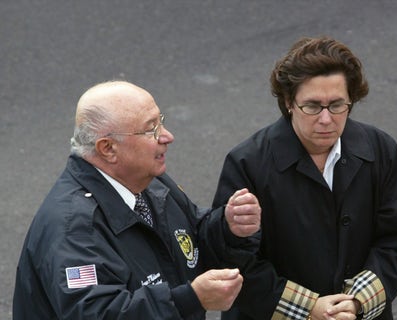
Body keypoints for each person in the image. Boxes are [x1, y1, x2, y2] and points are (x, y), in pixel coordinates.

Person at [13, 81, 262, 319]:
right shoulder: (74, 230)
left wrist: (227, 227)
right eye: (150, 129)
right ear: (108, 148)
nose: (167, 136)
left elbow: (189, 239)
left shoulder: (148, 182)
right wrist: (191, 299)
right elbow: (97, 313)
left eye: (161, 122)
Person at [211, 36, 397, 320]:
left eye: (337, 105)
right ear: (288, 102)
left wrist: (356, 302)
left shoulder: (382, 151)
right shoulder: (248, 163)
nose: (325, 119)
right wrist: (309, 309)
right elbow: (235, 263)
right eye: (312, 106)